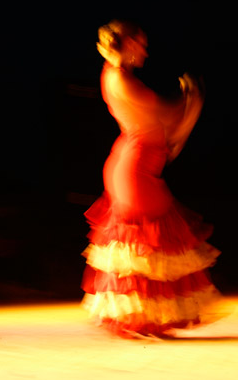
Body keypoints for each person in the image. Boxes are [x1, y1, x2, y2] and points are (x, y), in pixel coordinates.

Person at [81, 19, 221, 338]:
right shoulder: (121, 79)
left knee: (149, 241)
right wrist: (191, 104)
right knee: (150, 239)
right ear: (128, 43)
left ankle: (144, 318)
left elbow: (168, 130)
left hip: (136, 165)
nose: (145, 49)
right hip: (135, 170)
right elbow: (167, 116)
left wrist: (186, 117)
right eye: (141, 42)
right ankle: (139, 319)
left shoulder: (117, 76)